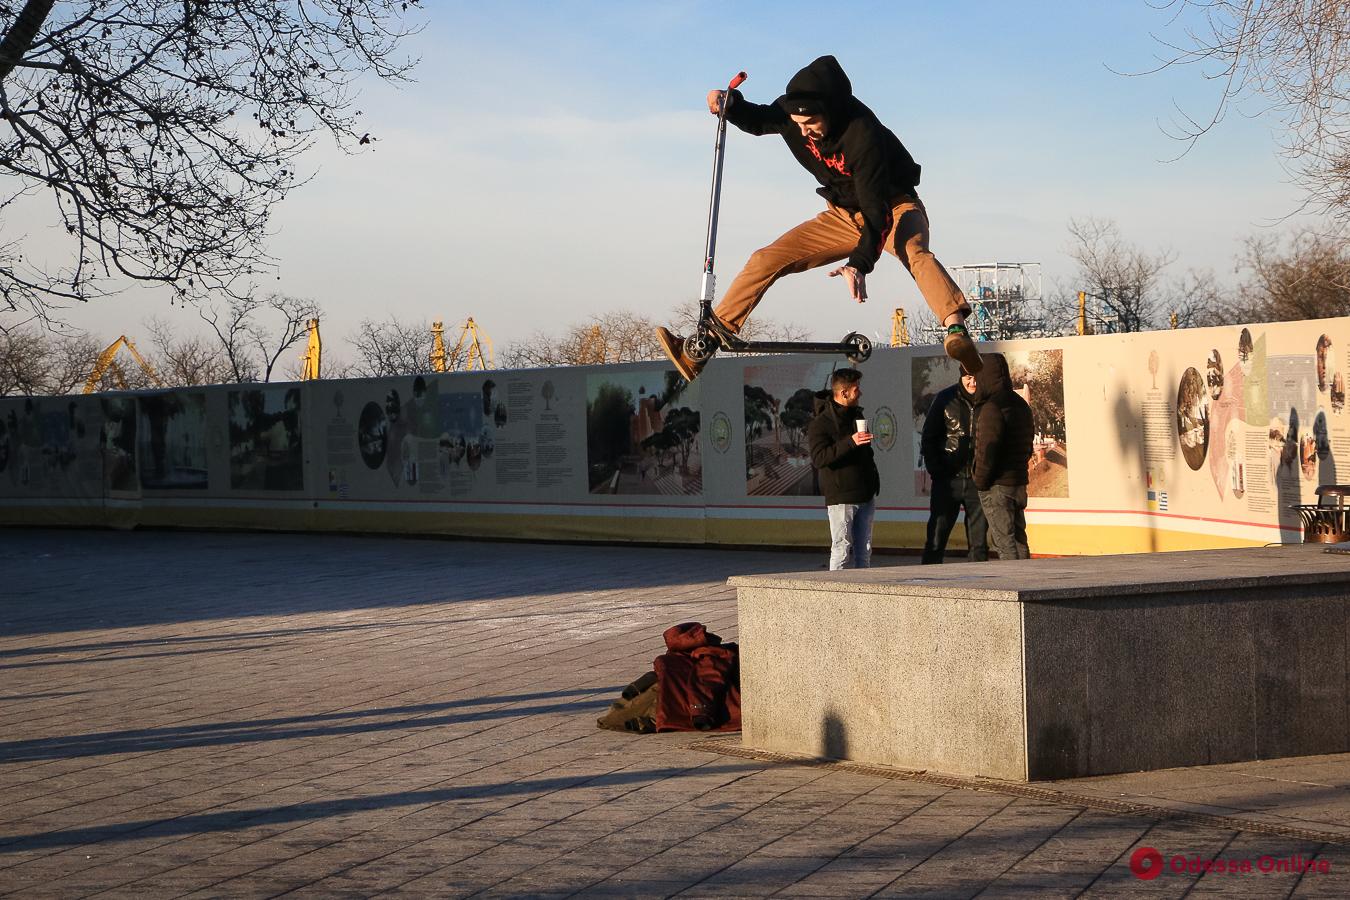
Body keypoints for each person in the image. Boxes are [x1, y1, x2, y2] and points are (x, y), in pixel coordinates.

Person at [657, 55, 982, 382]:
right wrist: (731, 103)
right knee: (765, 259)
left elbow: (876, 212)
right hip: (840, 215)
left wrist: (859, 263)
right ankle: (702, 347)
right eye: (799, 124)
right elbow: (760, 119)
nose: (804, 131)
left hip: (892, 206)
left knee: (915, 254)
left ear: (831, 111)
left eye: (811, 123)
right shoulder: (791, 114)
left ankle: (956, 330)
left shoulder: (863, 134)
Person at [807, 368, 880, 570]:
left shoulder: (857, 414)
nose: (861, 393)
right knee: (841, 549)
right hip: (841, 497)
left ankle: (863, 596)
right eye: (857, 389)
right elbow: (819, 458)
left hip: (865, 494)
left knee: (864, 551)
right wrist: (851, 442)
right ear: (843, 393)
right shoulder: (820, 423)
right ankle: (834, 597)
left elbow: (863, 452)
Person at [971, 353, 1034, 560]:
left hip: (997, 485)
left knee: (1004, 543)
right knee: (1019, 539)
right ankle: (1029, 583)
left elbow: (987, 450)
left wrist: (980, 481)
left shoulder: (992, 407)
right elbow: (1027, 445)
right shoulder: (1020, 404)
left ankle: (1014, 587)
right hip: (1018, 482)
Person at [920, 372, 988, 564]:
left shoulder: (988, 398)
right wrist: (938, 471)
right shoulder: (945, 398)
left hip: (978, 480)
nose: (973, 382)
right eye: (968, 377)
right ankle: (926, 586)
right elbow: (929, 437)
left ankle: (982, 589)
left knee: (979, 545)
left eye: (976, 377)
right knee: (936, 539)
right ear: (961, 376)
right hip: (948, 481)